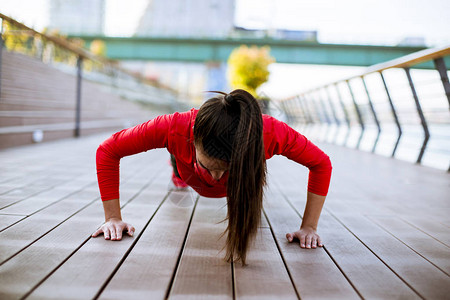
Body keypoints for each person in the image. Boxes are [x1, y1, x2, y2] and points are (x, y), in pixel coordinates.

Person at [92, 89, 332, 265]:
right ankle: (177, 168)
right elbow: (108, 150)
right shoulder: (174, 127)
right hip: (187, 169)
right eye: (209, 167)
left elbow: (321, 163)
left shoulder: (270, 132)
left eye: (226, 169)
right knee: (180, 170)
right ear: (194, 137)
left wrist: (309, 227)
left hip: (237, 181)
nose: (216, 178)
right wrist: (113, 218)